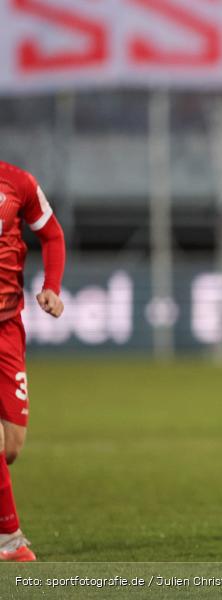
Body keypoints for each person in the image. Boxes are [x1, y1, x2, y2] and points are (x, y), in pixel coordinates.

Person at [0, 161, 66, 561]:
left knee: (11, 447)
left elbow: (53, 235)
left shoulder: (19, 182)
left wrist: (52, 287)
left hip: (7, 326)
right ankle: (10, 541)